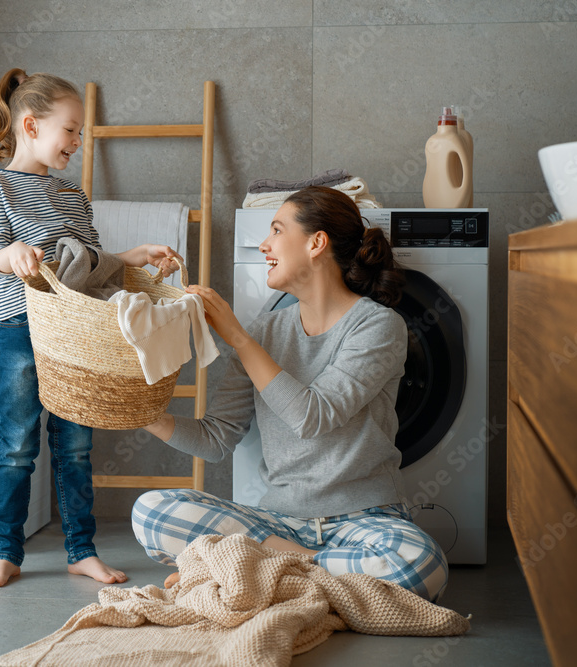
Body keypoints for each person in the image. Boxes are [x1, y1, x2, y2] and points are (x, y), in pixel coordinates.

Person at [131, 186, 449, 602]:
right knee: (151, 512)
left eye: (277, 230)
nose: (264, 245)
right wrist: (139, 413)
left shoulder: (378, 326)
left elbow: (313, 416)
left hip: (365, 522)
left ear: (317, 243)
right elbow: (215, 438)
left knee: (421, 564)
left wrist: (239, 339)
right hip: (277, 524)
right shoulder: (266, 331)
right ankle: (304, 570)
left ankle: (257, 568)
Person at [0, 68, 181, 587]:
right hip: (22, 326)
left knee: (75, 444)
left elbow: (91, 264)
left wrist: (130, 255)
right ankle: (6, 551)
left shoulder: (73, 196)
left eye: (80, 133)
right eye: (70, 129)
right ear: (30, 125)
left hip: (76, 333)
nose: (77, 142)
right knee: (18, 442)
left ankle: (80, 549)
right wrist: (9, 253)